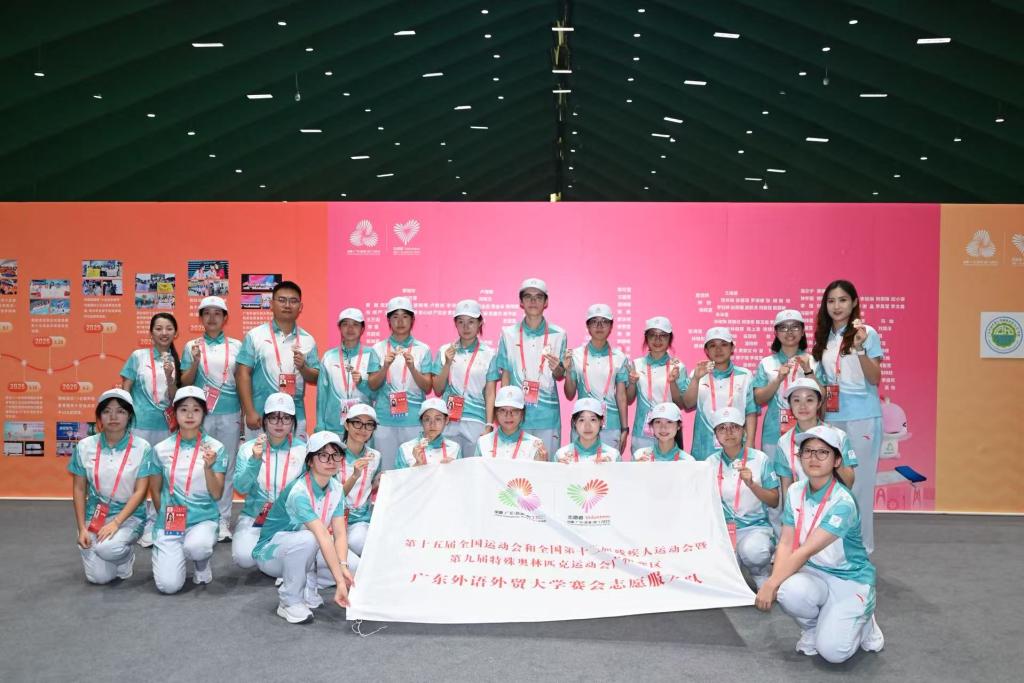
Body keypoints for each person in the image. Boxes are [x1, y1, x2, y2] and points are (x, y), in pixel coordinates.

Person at [755, 427, 884, 663]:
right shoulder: (795, 491)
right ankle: (813, 628)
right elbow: (786, 542)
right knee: (788, 592)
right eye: (808, 451)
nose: (813, 458)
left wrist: (770, 584)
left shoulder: (842, 502)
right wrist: (776, 582)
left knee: (834, 653)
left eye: (823, 452)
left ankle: (865, 619)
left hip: (849, 579)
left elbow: (806, 549)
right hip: (813, 572)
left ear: (837, 461)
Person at [812, 279, 884, 554]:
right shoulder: (825, 337)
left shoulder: (867, 333)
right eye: (831, 301)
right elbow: (823, 383)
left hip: (863, 417)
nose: (837, 306)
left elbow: (875, 377)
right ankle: (835, 547)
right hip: (833, 417)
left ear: (854, 302)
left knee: (860, 484)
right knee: (836, 484)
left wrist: (861, 348)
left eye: (843, 300)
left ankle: (862, 549)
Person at [251, 431, 354, 624]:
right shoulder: (299, 492)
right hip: (271, 554)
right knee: (309, 539)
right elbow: (322, 535)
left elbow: (340, 534)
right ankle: (289, 601)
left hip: (308, 545)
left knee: (354, 570)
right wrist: (339, 581)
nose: (331, 460)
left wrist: (343, 566)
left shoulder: (337, 488)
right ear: (310, 461)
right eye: (323, 455)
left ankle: (307, 581)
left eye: (336, 454)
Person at [69, 389, 154, 583]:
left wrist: (116, 523)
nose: (113, 417)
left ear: (129, 415)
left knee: (108, 549)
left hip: (129, 516)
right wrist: (82, 528)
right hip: (96, 516)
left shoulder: (142, 447)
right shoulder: (84, 446)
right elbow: (79, 489)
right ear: (99, 416)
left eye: (120, 411)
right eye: (107, 411)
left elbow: (140, 491)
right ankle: (107, 554)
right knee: (99, 578)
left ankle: (125, 555)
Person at [147, 387, 228, 593]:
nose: (190, 415)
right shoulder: (160, 449)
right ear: (175, 413)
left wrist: (208, 468)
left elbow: (217, 494)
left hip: (203, 519)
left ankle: (201, 564)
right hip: (171, 521)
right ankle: (173, 551)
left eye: (196, 410)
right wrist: (165, 516)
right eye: (184, 409)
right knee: (168, 586)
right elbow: (155, 490)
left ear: (204, 414)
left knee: (198, 548)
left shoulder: (216, 448)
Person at [180, 296, 243, 542]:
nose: (212, 318)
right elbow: (184, 382)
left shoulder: (237, 346)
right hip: (200, 415)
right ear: (201, 318)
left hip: (230, 412)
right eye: (207, 313)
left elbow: (243, 380)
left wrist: (245, 411)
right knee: (200, 465)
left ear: (225, 318)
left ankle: (223, 519)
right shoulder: (191, 346)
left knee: (226, 466)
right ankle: (201, 516)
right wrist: (195, 362)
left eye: (218, 313)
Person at [120, 312, 180, 547]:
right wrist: (124, 421)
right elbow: (125, 390)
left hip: (166, 428)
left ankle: (156, 522)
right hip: (139, 426)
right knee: (137, 476)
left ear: (175, 333)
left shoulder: (177, 361)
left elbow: (175, 398)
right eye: (159, 328)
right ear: (151, 332)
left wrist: (170, 376)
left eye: (169, 329)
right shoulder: (138, 356)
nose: (164, 333)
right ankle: (134, 521)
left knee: (162, 478)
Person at [236, 281, 320, 441]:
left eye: (293, 301)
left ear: (300, 307)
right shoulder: (255, 335)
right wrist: (250, 411)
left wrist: (303, 367)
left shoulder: (308, 339)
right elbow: (242, 374)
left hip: (295, 416)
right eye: (282, 300)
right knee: (258, 456)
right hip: (260, 415)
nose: (287, 305)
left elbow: (316, 377)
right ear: (271, 304)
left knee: (294, 456)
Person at [231, 393, 307, 570]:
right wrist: (255, 461)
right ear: (264, 420)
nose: (279, 424)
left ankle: (278, 559)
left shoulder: (303, 450)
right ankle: (272, 555)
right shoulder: (248, 449)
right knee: (244, 558)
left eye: (286, 418)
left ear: (293, 422)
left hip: (290, 520)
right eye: (273, 417)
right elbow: (240, 488)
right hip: (255, 517)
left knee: (307, 546)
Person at [705, 406, 779, 588]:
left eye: (734, 427)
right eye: (722, 428)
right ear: (716, 435)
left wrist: (752, 484)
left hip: (754, 528)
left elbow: (774, 500)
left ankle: (760, 574)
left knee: (754, 551)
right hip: (722, 530)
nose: (728, 432)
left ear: (744, 431)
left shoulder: (760, 459)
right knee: (719, 570)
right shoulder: (709, 463)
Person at [497, 277, 567, 455]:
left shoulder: (559, 334)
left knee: (546, 466)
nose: (533, 301)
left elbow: (559, 375)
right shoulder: (508, 334)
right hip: (517, 415)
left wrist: (557, 368)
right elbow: (505, 374)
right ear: (521, 302)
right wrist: (505, 410)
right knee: (517, 467)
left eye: (538, 297)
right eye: (528, 296)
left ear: (546, 302)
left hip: (548, 416)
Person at [367, 296, 433, 470]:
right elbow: (372, 385)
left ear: (412, 320)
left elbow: (427, 387)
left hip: (414, 421)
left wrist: (412, 368)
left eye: (405, 316)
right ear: (388, 321)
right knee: (385, 473)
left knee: (413, 472)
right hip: (384, 421)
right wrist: (385, 367)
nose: (400, 321)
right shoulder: (378, 349)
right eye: (395, 317)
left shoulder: (423, 349)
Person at [431, 299, 499, 455]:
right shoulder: (444, 351)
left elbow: (490, 393)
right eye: (461, 322)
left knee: (473, 467)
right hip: (449, 420)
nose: (466, 327)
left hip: (476, 421)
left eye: (471, 322)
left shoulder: (489, 354)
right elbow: (438, 389)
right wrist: (447, 363)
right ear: (455, 324)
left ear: (480, 323)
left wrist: (489, 424)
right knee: (448, 465)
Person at [775, 380, 857, 504]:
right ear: (790, 405)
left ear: (819, 403)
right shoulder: (784, 442)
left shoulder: (839, 436)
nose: (803, 406)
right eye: (796, 400)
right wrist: (790, 513)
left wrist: (833, 451)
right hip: (801, 508)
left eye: (809, 400)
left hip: (834, 506)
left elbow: (849, 483)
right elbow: (786, 487)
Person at [683, 327, 759, 461]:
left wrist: (750, 442)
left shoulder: (745, 375)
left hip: (735, 442)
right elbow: (688, 404)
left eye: (723, 344)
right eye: (712, 345)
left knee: (735, 474)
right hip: (704, 445)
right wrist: (696, 379)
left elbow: (750, 411)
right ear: (706, 351)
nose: (718, 350)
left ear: (732, 348)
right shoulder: (698, 373)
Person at [753, 309, 818, 460]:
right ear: (776, 332)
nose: (789, 331)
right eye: (783, 327)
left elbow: (823, 396)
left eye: (795, 326)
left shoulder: (813, 361)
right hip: (773, 431)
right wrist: (778, 379)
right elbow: (758, 399)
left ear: (803, 331)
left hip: (808, 429)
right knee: (773, 473)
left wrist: (808, 371)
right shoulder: (766, 363)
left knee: (806, 472)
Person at [563, 304, 629, 452]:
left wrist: (625, 428)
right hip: (582, 423)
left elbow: (621, 396)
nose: (599, 326)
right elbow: (569, 394)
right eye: (594, 321)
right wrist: (568, 370)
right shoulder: (575, 355)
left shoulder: (620, 357)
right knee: (579, 464)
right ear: (587, 326)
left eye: (604, 321)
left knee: (609, 466)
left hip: (611, 425)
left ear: (611, 326)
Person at [625, 316, 687, 456]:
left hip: (668, 432)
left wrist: (673, 382)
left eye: (663, 335)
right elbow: (629, 399)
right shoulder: (636, 364)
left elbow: (681, 404)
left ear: (670, 338)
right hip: (642, 432)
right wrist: (632, 383)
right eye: (653, 335)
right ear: (646, 338)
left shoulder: (678, 366)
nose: (657, 340)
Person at [316, 307, 380, 436]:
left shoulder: (371, 354)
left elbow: (377, 394)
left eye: (355, 324)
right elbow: (322, 394)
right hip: (333, 426)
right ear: (339, 328)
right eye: (345, 324)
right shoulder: (329, 356)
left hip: (362, 426)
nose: (350, 329)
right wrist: (320, 424)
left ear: (362, 329)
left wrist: (362, 383)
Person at [337, 404, 382, 572]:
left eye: (369, 425)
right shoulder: (332, 453)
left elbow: (370, 487)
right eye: (357, 423)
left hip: (360, 522)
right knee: (354, 565)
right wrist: (354, 476)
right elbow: (329, 496)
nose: (363, 429)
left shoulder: (375, 456)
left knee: (359, 543)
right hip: (333, 521)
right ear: (346, 424)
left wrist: (380, 482)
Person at [474, 385, 548, 461]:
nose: (508, 416)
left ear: (522, 413)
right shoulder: (483, 442)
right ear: (496, 412)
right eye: (503, 410)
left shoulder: (535, 445)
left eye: (515, 411)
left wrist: (542, 464)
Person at [395, 398, 462, 468]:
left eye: (438, 419)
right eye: (427, 419)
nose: (432, 424)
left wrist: (454, 468)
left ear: (446, 420)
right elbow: (398, 475)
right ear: (421, 421)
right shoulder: (405, 449)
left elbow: (461, 474)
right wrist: (417, 465)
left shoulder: (455, 448)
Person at [553, 398, 620, 463]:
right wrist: (560, 468)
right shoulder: (561, 455)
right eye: (582, 420)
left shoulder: (613, 456)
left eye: (593, 420)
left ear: (601, 422)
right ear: (574, 422)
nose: (587, 426)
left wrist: (609, 468)